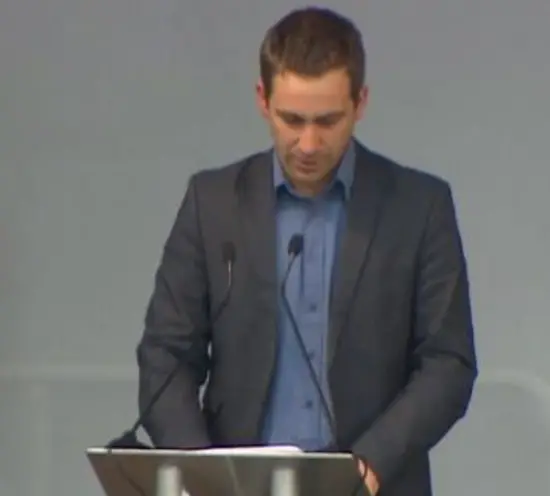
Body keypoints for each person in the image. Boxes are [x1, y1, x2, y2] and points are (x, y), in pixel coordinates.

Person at [136, 6, 477, 495]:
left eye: (328, 120)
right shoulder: (211, 205)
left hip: (370, 484)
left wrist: (372, 463)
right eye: (291, 119)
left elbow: (449, 363)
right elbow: (166, 355)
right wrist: (201, 471)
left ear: (361, 103)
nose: (309, 143)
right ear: (262, 99)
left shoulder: (419, 207)